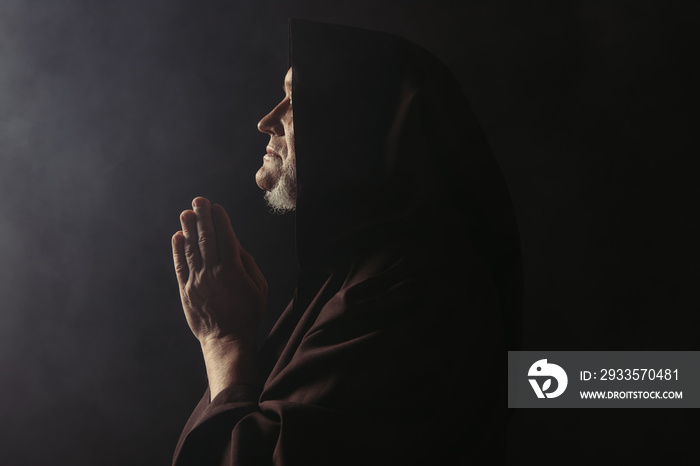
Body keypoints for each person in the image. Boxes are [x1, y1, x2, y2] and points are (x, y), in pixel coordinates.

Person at [171, 19, 521, 465]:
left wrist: (224, 341)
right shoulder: (366, 271)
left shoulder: (412, 284)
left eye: (295, 100)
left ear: (355, 124)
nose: (267, 121)